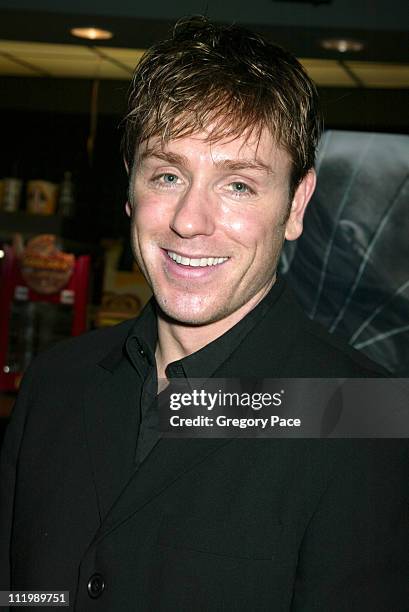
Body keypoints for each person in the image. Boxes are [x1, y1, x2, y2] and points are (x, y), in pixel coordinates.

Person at [1, 16, 408, 611]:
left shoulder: (367, 422)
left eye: (237, 185)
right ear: (130, 190)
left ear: (296, 205)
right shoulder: (56, 383)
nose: (190, 221)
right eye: (167, 175)